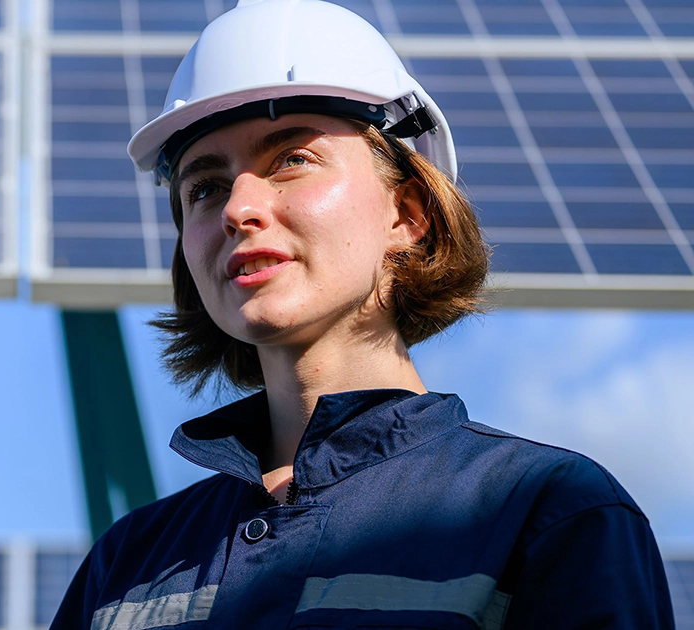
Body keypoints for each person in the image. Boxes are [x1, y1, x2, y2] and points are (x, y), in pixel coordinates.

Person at [50, 0, 675, 628]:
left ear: (405, 214)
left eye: (291, 159)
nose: (238, 208)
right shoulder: (126, 563)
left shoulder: (548, 513)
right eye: (204, 187)